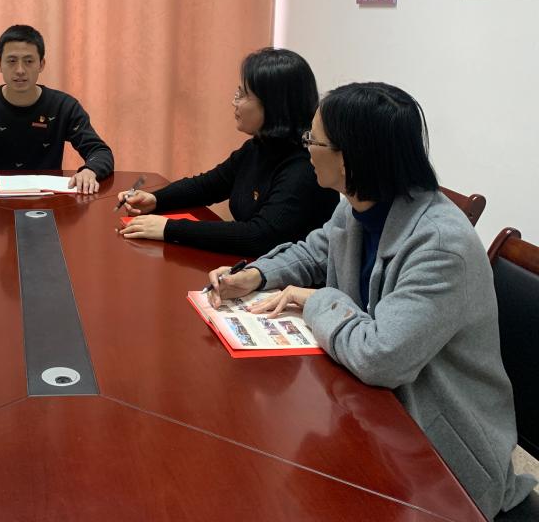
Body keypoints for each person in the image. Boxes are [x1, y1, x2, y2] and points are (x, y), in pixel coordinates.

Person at [206, 82, 535, 519]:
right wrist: (257, 274)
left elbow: (382, 357)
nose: (306, 148)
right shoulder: (359, 202)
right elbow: (316, 250)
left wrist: (318, 300)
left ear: (350, 158)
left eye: (314, 140)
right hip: (373, 413)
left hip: (441, 455)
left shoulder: (441, 245)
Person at [117, 48, 338, 256]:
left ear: (274, 105)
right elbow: (207, 186)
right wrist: (156, 199)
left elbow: (258, 236)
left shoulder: (305, 166)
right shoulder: (259, 147)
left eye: (243, 95)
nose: (234, 102)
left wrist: (169, 228)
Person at [0, 24, 114, 193]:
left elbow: (100, 152)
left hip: (48, 201)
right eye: (12, 61)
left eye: (29, 61)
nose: (20, 70)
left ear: (41, 64)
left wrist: (90, 171)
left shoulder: (63, 106)